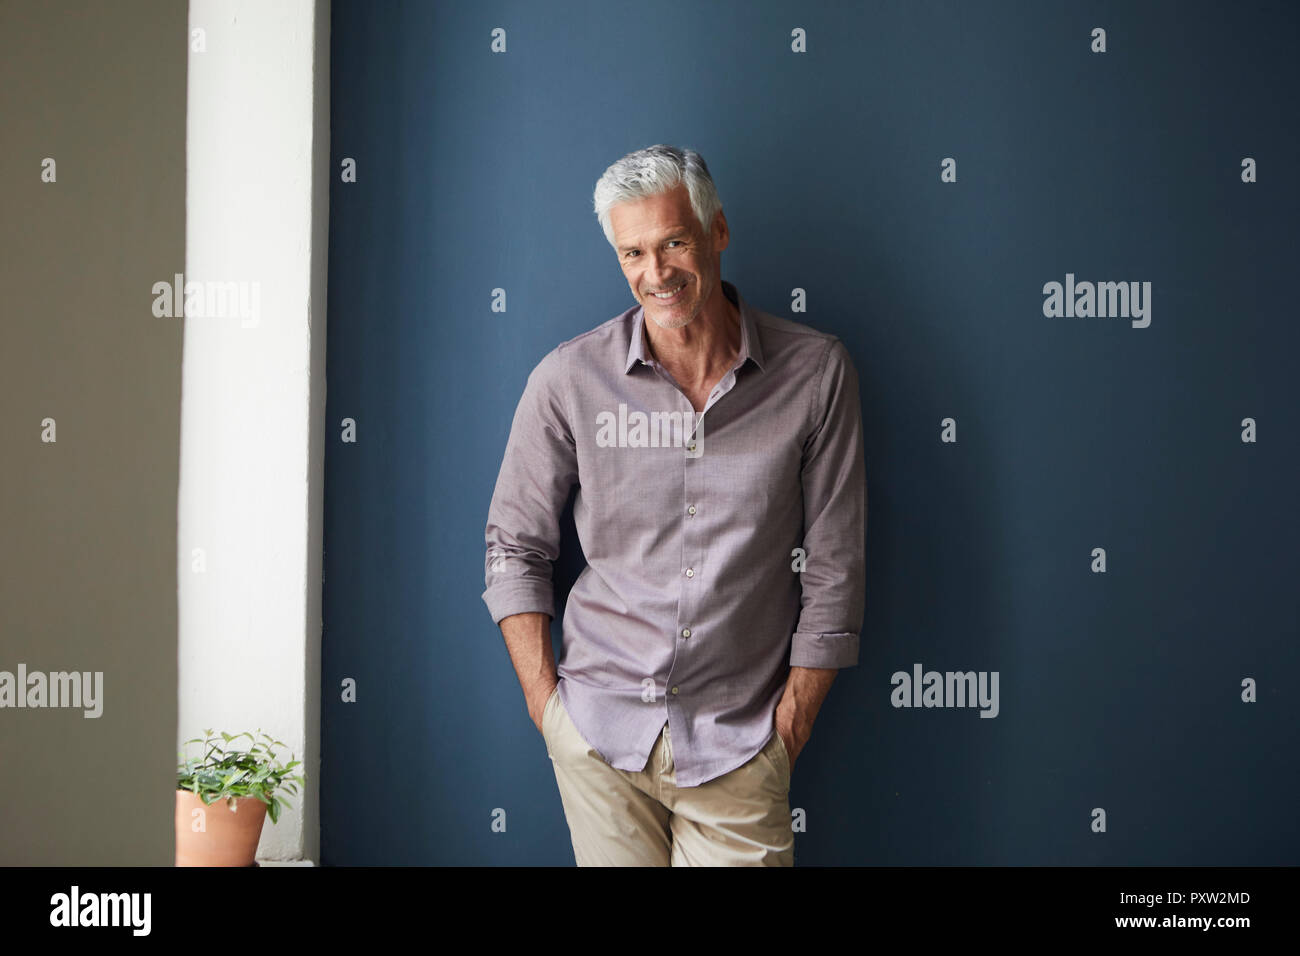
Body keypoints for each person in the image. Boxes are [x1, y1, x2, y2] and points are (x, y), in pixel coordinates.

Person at [481, 144, 867, 866]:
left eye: (673, 243)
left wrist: (790, 727)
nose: (655, 274)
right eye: (633, 253)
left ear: (717, 231)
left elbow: (836, 566)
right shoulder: (570, 379)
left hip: (741, 742)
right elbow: (514, 547)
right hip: (599, 735)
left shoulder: (815, 372)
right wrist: (548, 711)